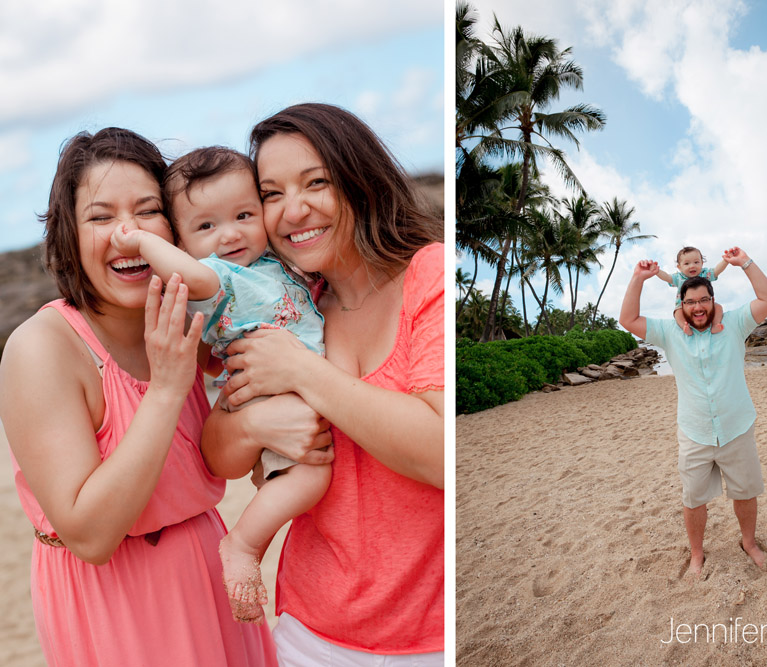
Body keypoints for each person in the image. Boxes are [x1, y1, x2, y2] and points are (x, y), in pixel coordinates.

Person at [0, 128, 277, 665]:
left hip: (208, 570)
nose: (127, 235)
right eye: (100, 217)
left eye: (148, 211)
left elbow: (214, 462)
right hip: (117, 603)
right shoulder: (42, 348)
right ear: (68, 234)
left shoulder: (188, 320)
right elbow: (89, 534)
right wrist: (167, 388)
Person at [201, 103, 445, 665]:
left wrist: (303, 372)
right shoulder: (289, 306)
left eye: (317, 183)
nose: (294, 210)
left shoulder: (426, 274)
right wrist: (258, 423)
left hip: (432, 636)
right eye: (271, 194)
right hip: (309, 631)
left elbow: (439, 454)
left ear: (360, 180)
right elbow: (218, 455)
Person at [109, 146, 331, 624]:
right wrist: (142, 242)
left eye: (244, 215)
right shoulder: (217, 274)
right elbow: (192, 276)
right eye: (206, 226)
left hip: (287, 387)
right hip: (274, 396)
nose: (229, 234)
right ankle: (243, 545)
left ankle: (250, 544)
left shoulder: (269, 263)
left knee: (301, 480)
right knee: (312, 477)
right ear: (182, 242)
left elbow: (212, 361)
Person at [619, 246, 767, 579]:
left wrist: (745, 263)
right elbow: (628, 320)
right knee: (693, 499)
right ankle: (696, 553)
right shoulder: (670, 332)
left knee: (745, 492)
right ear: (681, 304)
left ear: (713, 300)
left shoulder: (733, 324)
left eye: (704, 300)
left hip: (736, 427)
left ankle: (749, 542)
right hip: (694, 432)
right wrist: (638, 279)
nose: (698, 307)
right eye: (691, 302)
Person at [655, 246, 728, 335]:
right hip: (682, 306)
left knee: (718, 307)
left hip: (705, 305)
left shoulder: (705, 274)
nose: (692, 266)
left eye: (696, 262)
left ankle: (716, 324)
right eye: (687, 264)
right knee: (677, 313)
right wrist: (657, 271)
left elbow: (716, 271)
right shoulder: (679, 277)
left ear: (702, 263)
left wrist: (726, 261)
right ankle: (684, 326)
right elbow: (667, 277)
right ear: (679, 267)